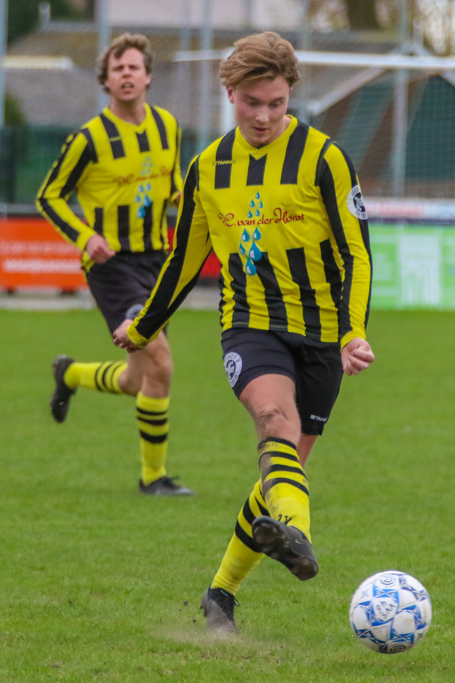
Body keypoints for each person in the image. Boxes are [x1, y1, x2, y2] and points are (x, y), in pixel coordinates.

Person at [113, 31, 375, 632]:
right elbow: (184, 261)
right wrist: (145, 325)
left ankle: (221, 594)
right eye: (252, 102)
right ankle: (299, 537)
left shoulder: (325, 158)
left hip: (322, 334)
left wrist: (353, 332)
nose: (263, 116)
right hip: (251, 324)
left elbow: (357, 253)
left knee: (281, 476)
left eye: (276, 103)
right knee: (273, 421)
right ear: (229, 93)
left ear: (290, 97)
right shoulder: (207, 169)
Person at [37, 33, 191, 496]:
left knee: (136, 379)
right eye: (117, 68)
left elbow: (173, 182)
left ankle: (70, 373)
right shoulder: (88, 139)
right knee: (161, 361)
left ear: (148, 76)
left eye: (133, 67)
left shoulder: (167, 125)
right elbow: (48, 197)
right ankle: (153, 478)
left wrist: (189, 203)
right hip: (112, 266)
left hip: (158, 261)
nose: (126, 74)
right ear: (105, 80)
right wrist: (86, 236)